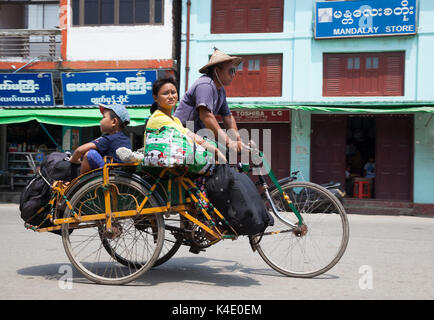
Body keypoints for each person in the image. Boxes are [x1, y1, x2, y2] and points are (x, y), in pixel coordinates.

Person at [174, 47, 244, 153]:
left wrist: (237, 139)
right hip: (183, 135)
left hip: (199, 136)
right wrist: (229, 142)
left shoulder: (220, 90)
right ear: (216, 70)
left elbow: (228, 116)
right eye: (231, 71)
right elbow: (206, 116)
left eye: (234, 71)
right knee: (219, 160)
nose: (233, 75)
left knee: (222, 159)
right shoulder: (205, 85)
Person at [145, 77, 226, 164]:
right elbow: (191, 136)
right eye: (165, 93)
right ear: (155, 98)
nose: (171, 97)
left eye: (173, 92)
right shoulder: (159, 118)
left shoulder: (175, 119)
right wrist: (216, 151)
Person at [69, 104, 132, 174]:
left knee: (90, 154)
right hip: (120, 172)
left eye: (103, 117)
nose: (100, 121)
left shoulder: (110, 139)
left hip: (111, 173)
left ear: (114, 122)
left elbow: (79, 150)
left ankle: (80, 182)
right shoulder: (124, 137)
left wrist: (73, 161)